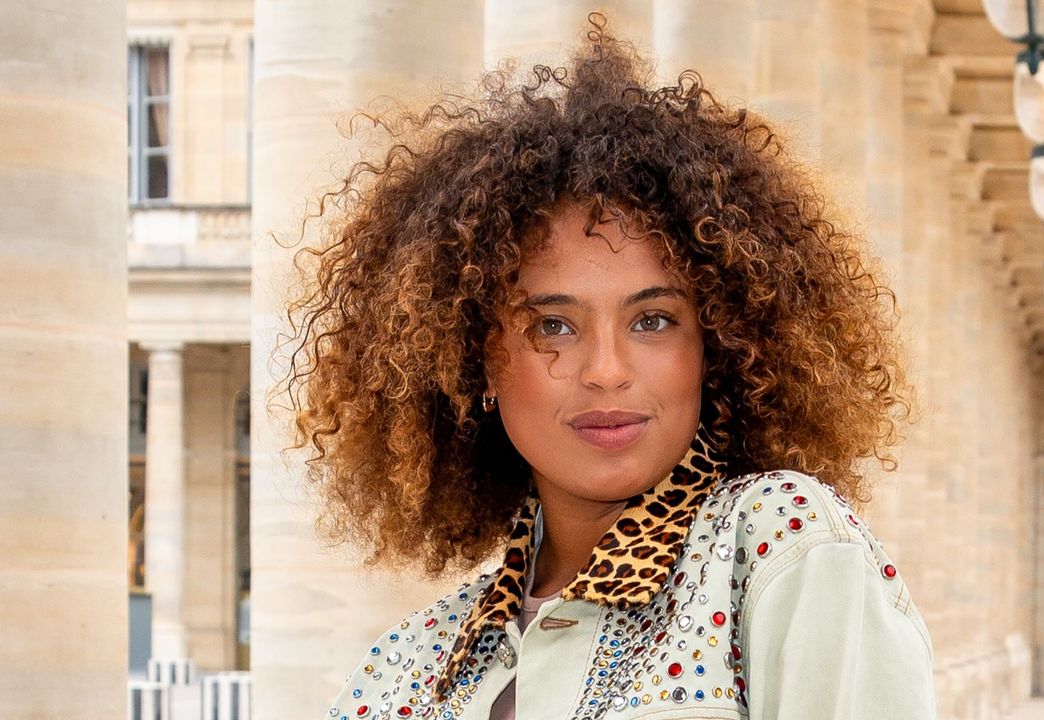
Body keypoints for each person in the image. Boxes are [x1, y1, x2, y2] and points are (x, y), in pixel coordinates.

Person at [282, 13, 935, 719]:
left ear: (714, 345)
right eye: (553, 326)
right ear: (478, 363)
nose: (606, 370)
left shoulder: (780, 549)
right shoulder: (410, 662)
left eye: (652, 320)